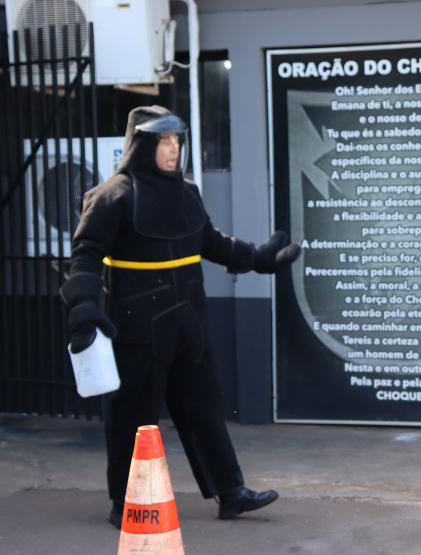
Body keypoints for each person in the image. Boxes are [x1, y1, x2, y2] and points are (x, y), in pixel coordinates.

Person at [60, 105, 300, 527]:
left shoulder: (187, 191)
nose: (172, 149)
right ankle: (126, 504)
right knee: (133, 418)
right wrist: (83, 306)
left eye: (176, 141)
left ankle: (231, 493)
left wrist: (256, 258)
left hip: (190, 321)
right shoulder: (111, 195)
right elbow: (85, 257)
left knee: (205, 407)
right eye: (163, 141)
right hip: (136, 326)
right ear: (142, 144)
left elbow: (209, 241)